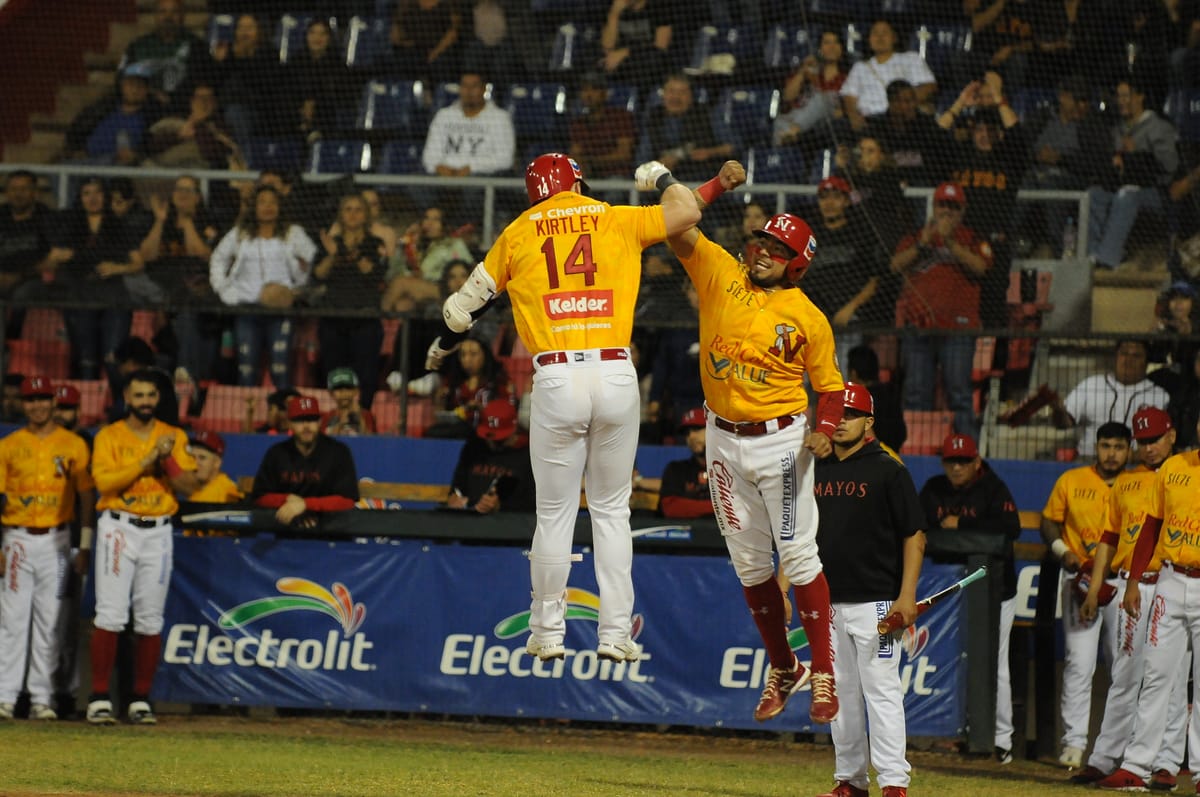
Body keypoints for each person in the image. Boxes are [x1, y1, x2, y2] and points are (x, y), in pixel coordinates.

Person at [425, 151, 701, 664]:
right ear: (578, 181)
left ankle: (547, 632)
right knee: (613, 512)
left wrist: (442, 345)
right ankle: (617, 633)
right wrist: (662, 177)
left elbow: (461, 308)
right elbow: (687, 211)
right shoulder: (613, 215)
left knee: (553, 514)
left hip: (556, 373)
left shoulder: (519, 230)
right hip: (617, 370)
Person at [658, 157, 844, 726]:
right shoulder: (719, 271)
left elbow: (831, 387)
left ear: (797, 265)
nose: (763, 251)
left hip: (781, 442)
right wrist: (708, 186)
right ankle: (783, 665)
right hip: (721, 437)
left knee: (798, 554)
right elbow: (675, 225)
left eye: (777, 249)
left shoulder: (807, 316)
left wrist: (827, 431)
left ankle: (824, 672)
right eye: (761, 241)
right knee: (747, 564)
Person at [809, 383, 924, 797]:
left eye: (850, 415)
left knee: (882, 693)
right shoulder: (814, 467)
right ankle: (851, 782)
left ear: (868, 421)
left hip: (876, 601)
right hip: (826, 600)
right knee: (841, 694)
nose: (840, 423)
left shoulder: (888, 468)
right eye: (834, 414)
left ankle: (894, 783)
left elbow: (914, 536)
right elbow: (798, 535)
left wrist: (906, 595)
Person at [1071, 408, 1187, 788]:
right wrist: (1098, 585)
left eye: (1156, 439)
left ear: (1171, 435)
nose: (1150, 447)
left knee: (1172, 678)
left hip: (1170, 581)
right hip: (1133, 585)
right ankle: (1106, 758)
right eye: (1144, 441)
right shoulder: (1125, 482)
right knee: (1125, 673)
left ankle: (1166, 763)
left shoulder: (1184, 474)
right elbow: (1109, 537)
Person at [88, 369, 200, 725]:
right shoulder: (109, 436)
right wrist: (147, 460)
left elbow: (190, 485)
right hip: (120, 526)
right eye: (139, 396)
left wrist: (166, 459)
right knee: (110, 613)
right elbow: (104, 483)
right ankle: (100, 697)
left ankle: (140, 698)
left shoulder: (174, 436)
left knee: (150, 618)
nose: (147, 402)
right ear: (126, 399)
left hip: (158, 529)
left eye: (151, 395)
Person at [918, 432, 1021, 764]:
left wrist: (961, 522)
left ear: (976, 461)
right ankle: (956, 732)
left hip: (996, 593)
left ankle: (1002, 739)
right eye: (952, 461)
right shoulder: (934, 487)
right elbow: (917, 526)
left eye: (964, 461)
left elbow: (1011, 526)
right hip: (950, 593)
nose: (958, 467)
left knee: (995, 664)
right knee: (951, 661)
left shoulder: (993, 487)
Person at [0, 377, 94, 721]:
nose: (37, 406)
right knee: (11, 620)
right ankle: (6, 695)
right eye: (30, 400)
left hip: (57, 539)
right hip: (18, 538)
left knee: (50, 621)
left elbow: (86, 497)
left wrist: (83, 546)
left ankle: (42, 697)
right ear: (22, 404)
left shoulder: (73, 445)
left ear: (54, 402)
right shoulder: (8, 445)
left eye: (43, 399)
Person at [1039, 420, 1132, 768]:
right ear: (1097, 446)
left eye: (1118, 447)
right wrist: (1064, 550)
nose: (1111, 453)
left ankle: (1122, 748)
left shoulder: (1139, 482)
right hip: (1079, 581)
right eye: (1105, 446)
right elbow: (1049, 521)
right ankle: (1074, 744)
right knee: (1079, 664)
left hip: (1122, 582)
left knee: (1124, 666)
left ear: (1129, 449)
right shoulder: (1072, 480)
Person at [891, 181, 993, 437]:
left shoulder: (971, 238)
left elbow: (981, 268)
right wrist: (923, 245)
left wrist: (949, 241)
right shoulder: (917, 236)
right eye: (942, 205)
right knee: (916, 393)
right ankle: (916, 450)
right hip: (919, 327)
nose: (947, 211)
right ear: (934, 207)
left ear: (962, 210)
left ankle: (966, 454)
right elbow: (894, 265)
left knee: (959, 394)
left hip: (958, 330)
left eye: (953, 206)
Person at [209, 184, 316, 388]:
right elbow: (218, 258)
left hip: (281, 310)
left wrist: (299, 282)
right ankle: (248, 417)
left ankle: (284, 415)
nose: (268, 207)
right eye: (262, 202)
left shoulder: (293, 233)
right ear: (254, 207)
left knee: (281, 367)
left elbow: (311, 258)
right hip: (247, 309)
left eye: (273, 202)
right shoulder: (240, 233)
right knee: (247, 368)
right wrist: (223, 289)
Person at [43, 177, 142, 382]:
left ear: (105, 197)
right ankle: (86, 405)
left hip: (113, 297)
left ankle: (118, 405)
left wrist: (117, 268)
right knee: (86, 359)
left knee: (112, 357)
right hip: (80, 296)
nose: (92, 198)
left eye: (97, 192)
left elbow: (138, 263)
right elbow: (52, 259)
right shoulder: (69, 225)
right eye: (86, 193)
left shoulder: (119, 226)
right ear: (80, 198)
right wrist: (62, 256)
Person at [1086, 78, 1179, 270]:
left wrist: (1137, 153)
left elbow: (1171, 167)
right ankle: (1091, 255)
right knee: (1094, 194)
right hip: (1123, 187)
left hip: (1157, 193)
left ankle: (1107, 260)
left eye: (1126, 96)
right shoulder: (1118, 129)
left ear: (1140, 96)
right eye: (1118, 96)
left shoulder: (1159, 127)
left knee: (1126, 195)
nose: (1121, 101)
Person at [805, 175, 886, 367]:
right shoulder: (810, 235)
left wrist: (850, 309)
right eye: (824, 197)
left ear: (847, 201)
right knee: (804, 380)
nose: (829, 203)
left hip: (848, 318)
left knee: (841, 377)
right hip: (813, 318)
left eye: (836, 197)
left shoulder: (861, 233)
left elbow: (874, 281)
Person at [314, 194, 389, 400]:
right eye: (348, 209)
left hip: (365, 320)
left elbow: (375, 273)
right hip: (333, 319)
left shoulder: (375, 244)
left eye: (358, 209)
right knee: (333, 373)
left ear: (366, 215)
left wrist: (346, 253)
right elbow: (318, 274)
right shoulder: (330, 243)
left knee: (365, 375)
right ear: (340, 215)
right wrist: (332, 255)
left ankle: (363, 416)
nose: (353, 214)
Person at [250, 395, 359, 530]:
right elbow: (260, 497)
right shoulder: (277, 453)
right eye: (299, 420)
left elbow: (347, 501)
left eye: (311, 420)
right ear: (289, 423)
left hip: (330, 533)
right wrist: (288, 500)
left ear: (320, 422)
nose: (306, 426)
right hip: (286, 531)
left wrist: (305, 504)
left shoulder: (338, 452)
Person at [1050, 339, 1171, 458]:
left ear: (1146, 362)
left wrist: (1137, 456)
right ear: (1115, 357)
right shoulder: (1092, 385)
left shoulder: (1159, 396)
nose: (1128, 360)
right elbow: (1063, 424)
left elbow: (1164, 443)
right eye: (1124, 354)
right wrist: (1058, 410)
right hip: (1089, 463)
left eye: (1136, 356)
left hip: (1135, 467)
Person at [419, 70, 515, 218]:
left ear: (484, 89)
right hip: (445, 174)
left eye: (474, 86)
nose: (468, 91)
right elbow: (430, 153)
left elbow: (505, 159)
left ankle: (467, 230)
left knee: (474, 191)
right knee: (418, 184)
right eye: (464, 86)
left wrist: (471, 168)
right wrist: (438, 166)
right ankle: (433, 227)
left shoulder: (499, 118)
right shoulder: (444, 115)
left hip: (479, 175)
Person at [635, 73, 734, 183]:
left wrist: (710, 152)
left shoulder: (707, 115)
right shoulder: (653, 117)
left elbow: (733, 147)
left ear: (692, 96)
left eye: (682, 92)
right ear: (663, 95)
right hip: (663, 183)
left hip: (699, 180)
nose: (675, 97)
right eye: (671, 91)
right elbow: (641, 160)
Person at [840, 19, 936, 131]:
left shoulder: (911, 59)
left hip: (901, 120)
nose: (880, 37)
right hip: (869, 121)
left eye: (884, 33)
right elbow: (849, 97)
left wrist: (905, 105)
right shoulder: (859, 67)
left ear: (894, 38)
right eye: (875, 33)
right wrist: (854, 117)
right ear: (869, 39)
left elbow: (929, 87)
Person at [446, 398, 535, 513]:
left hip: (510, 524)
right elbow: (457, 487)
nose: (493, 443)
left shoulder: (529, 455)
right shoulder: (473, 448)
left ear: (514, 429)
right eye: (489, 438)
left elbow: (534, 503)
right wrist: (453, 499)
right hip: (469, 521)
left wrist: (500, 506)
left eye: (501, 440)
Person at [119, 0, 209, 103]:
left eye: (174, 11)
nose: (168, 17)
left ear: (183, 15)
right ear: (155, 15)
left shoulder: (197, 46)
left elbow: (202, 83)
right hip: (142, 106)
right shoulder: (138, 45)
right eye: (162, 11)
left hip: (179, 108)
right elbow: (121, 77)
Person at [773, 30, 849, 149]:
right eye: (827, 43)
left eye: (836, 43)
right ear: (819, 48)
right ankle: (782, 157)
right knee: (780, 120)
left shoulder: (847, 78)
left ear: (842, 48)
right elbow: (788, 96)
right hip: (799, 117)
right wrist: (803, 71)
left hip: (825, 124)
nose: (831, 47)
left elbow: (843, 110)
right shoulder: (809, 72)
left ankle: (794, 130)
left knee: (823, 98)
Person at [568, 71, 637, 184]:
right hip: (589, 173)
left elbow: (624, 154)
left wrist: (591, 161)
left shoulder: (620, 117)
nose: (589, 94)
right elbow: (575, 153)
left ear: (604, 93)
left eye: (594, 89)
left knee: (615, 190)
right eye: (585, 90)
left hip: (615, 173)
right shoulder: (578, 123)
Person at [598, 0, 672, 92]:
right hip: (622, 66)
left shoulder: (659, 7)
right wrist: (614, 14)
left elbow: (661, 47)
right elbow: (607, 47)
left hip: (649, 66)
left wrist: (626, 52)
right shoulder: (612, 7)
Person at [657, 407, 712, 519]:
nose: (691, 436)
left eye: (697, 429)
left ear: (712, 429)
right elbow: (670, 508)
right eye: (687, 433)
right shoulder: (676, 469)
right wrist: (719, 508)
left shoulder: (730, 468)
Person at [186, 430, 242, 503]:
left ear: (217, 462)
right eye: (192, 457)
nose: (195, 462)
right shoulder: (191, 489)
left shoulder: (228, 491)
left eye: (202, 458)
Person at [321, 367, 377, 436]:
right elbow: (323, 442)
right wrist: (342, 422)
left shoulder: (366, 415)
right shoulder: (327, 417)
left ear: (356, 391)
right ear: (331, 393)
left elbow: (372, 442)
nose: (344, 393)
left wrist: (359, 417)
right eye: (338, 388)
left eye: (348, 388)